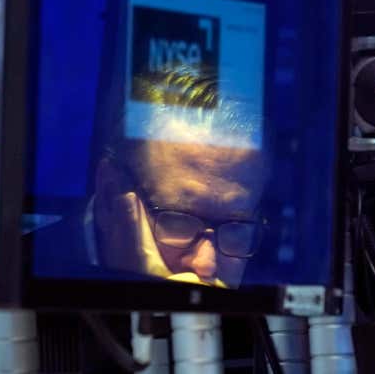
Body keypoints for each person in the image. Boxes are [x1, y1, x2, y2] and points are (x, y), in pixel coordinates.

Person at [89, 66, 269, 289]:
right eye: (179, 220)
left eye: (235, 227)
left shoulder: (264, 305)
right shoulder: (39, 285)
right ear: (108, 197)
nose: (206, 265)